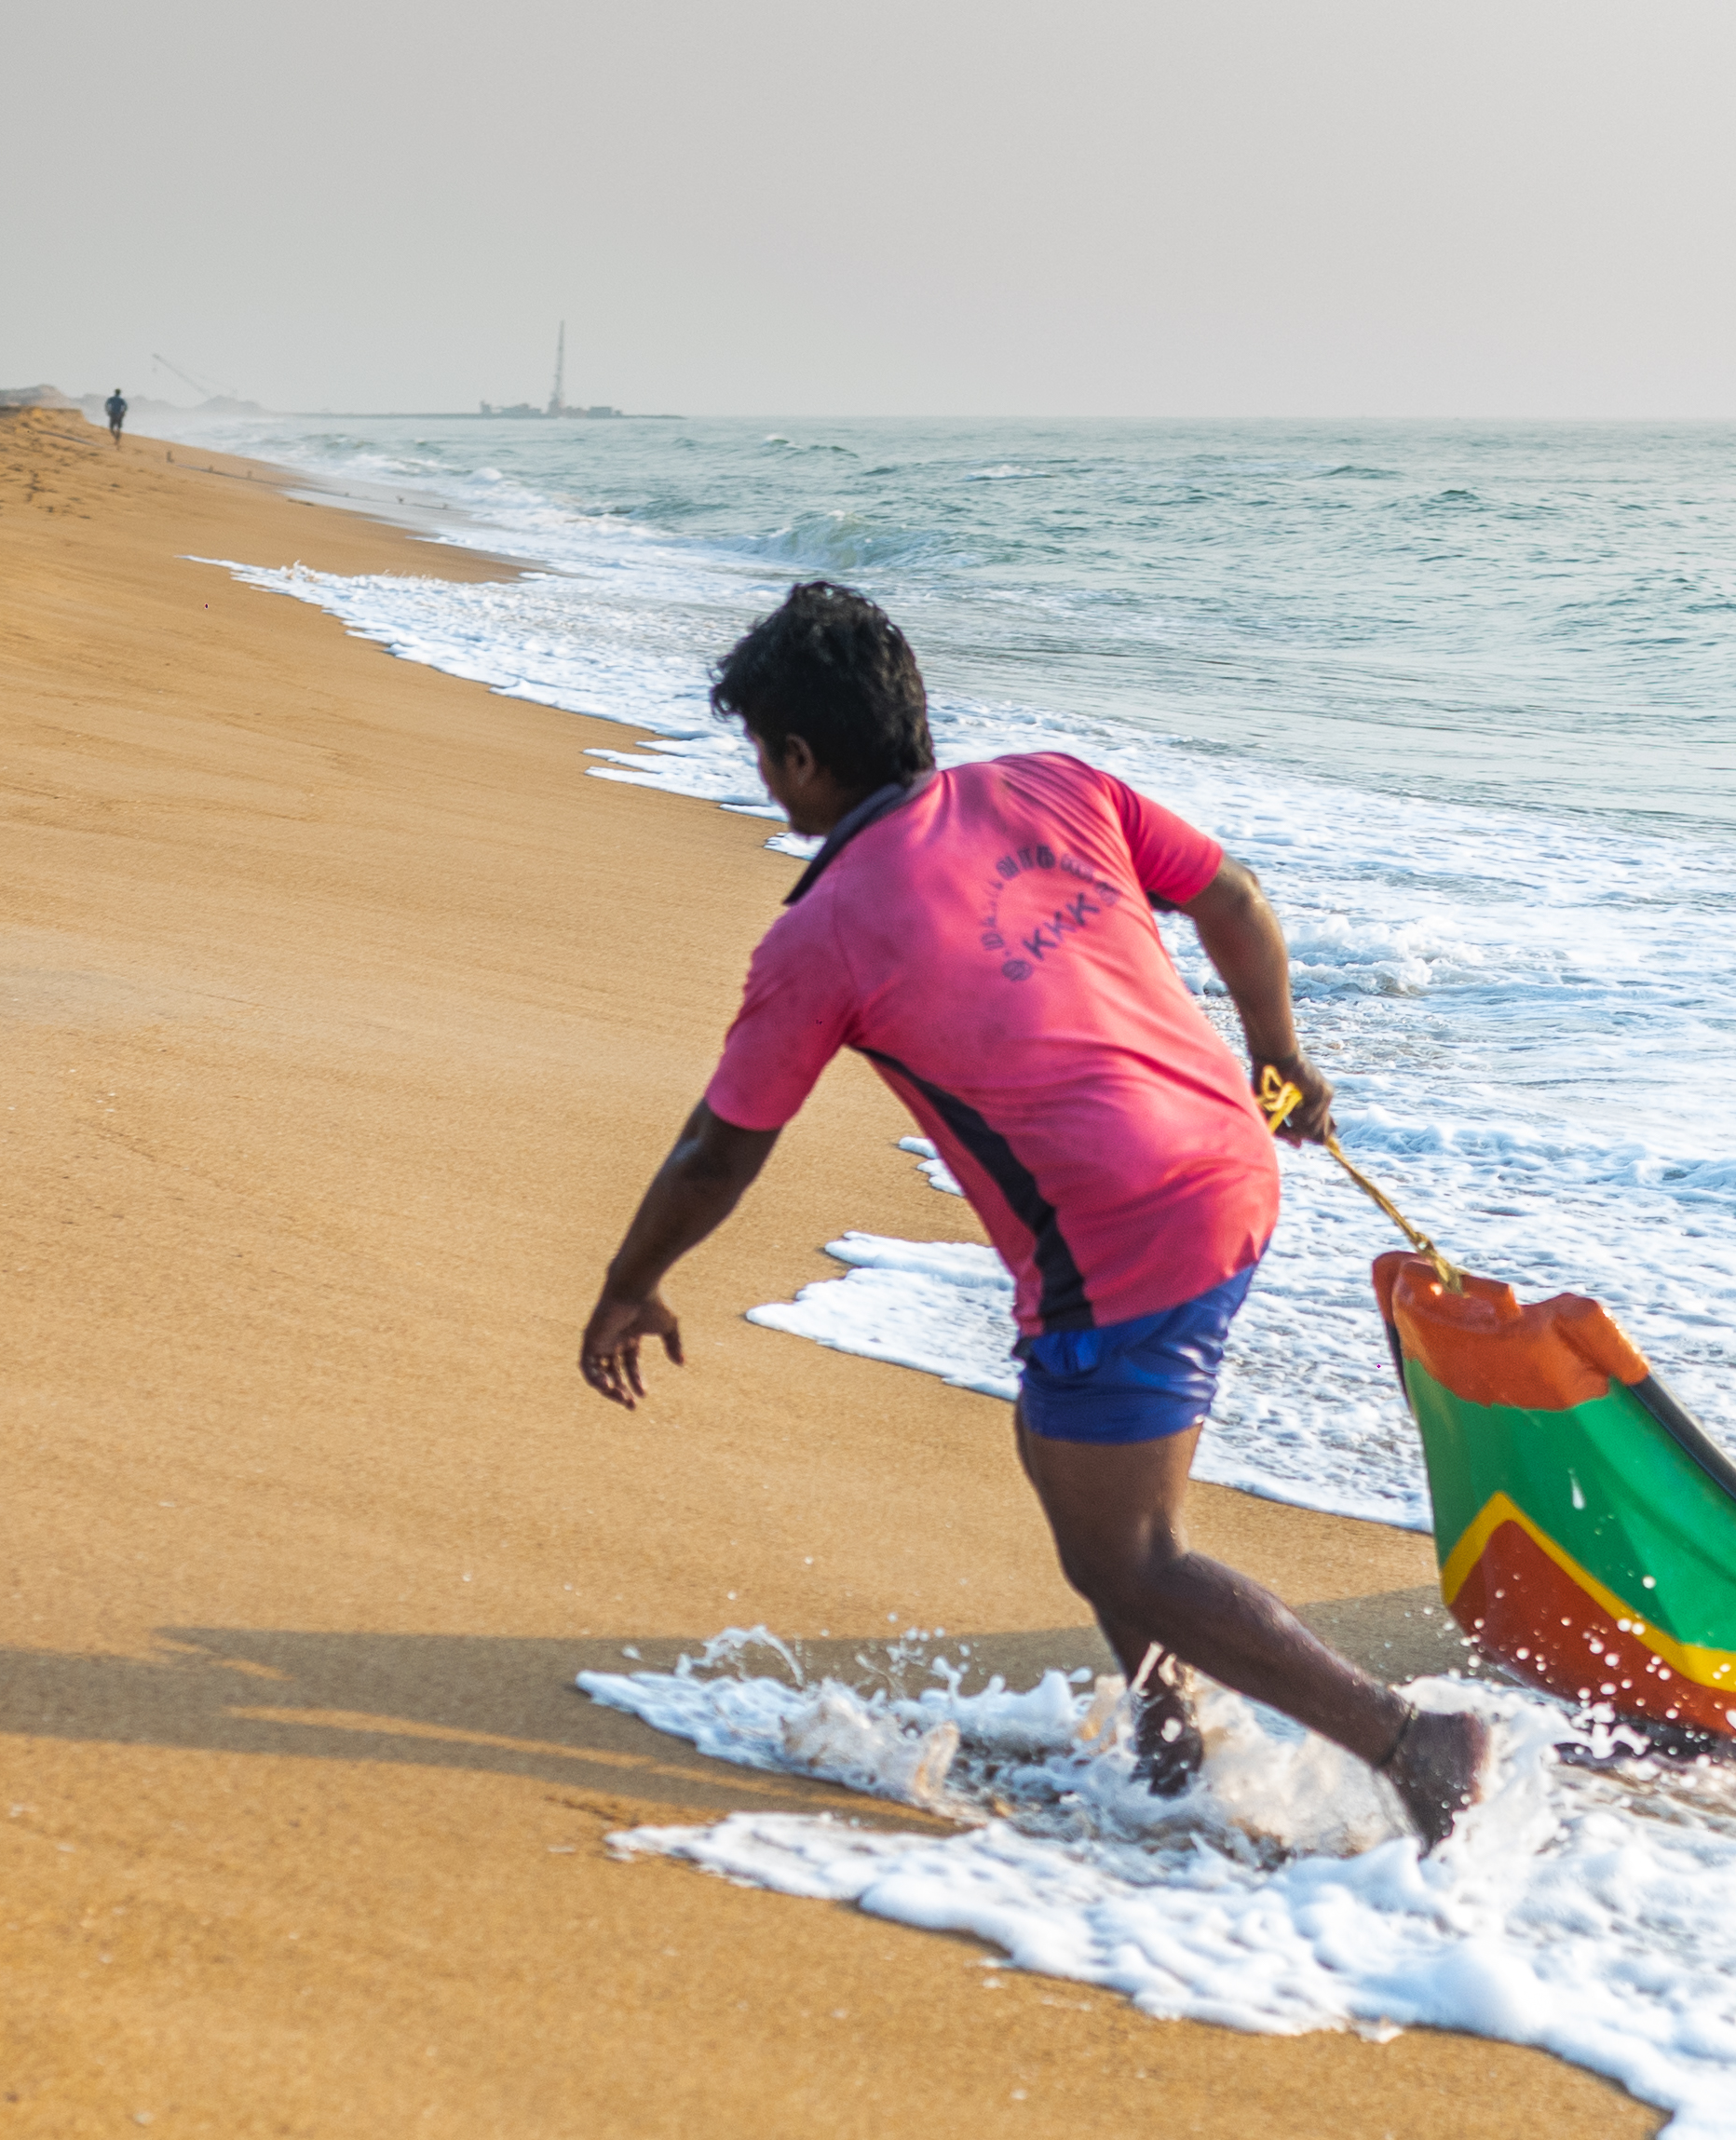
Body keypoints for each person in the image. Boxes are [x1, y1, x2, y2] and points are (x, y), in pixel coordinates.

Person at [579, 580, 1498, 1846]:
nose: (768, 784)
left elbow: (718, 1149)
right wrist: (1278, 1053)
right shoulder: (1054, 782)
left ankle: (1414, 1745)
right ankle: (1171, 1734)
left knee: (1131, 1551)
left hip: (1121, 1228)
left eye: (764, 756)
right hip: (1229, 1161)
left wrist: (631, 1279)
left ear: (800, 753)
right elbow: (1232, 898)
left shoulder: (820, 934)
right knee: (1067, 1461)